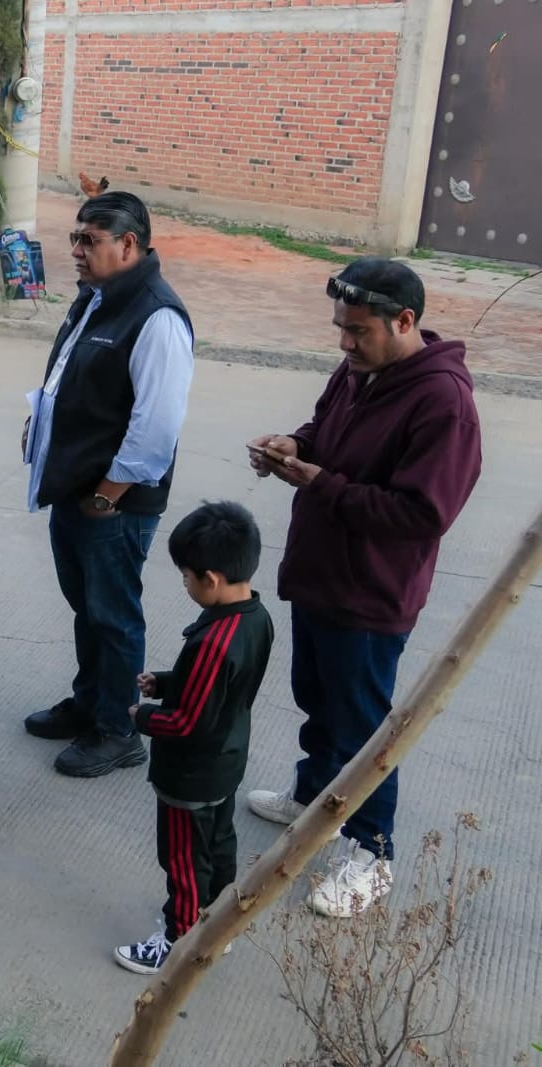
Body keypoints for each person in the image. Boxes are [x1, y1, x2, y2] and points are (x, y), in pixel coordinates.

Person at [244, 258, 481, 917]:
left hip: (372, 594)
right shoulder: (357, 370)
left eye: (359, 331)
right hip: (320, 574)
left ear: (405, 322)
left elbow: (421, 515)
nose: (345, 344)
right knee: (315, 698)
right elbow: (324, 429)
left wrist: (319, 482)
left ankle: (371, 851)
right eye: (340, 329)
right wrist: (291, 443)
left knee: (363, 727)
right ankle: (314, 797)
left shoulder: (444, 403)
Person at [21, 191, 194, 778]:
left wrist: (108, 494)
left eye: (88, 240)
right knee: (87, 609)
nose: (75, 249)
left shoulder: (157, 315)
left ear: (128, 244)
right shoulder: (98, 297)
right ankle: (91, 702)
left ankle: (118, 729)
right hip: (77, 490)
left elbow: (157, 426)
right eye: (75, 237)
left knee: (114, 616)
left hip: (112, 502)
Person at [113, 502, 273, 975]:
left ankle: (179, 941)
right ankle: (217, 926)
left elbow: (186, 724)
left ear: (212, 578)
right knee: (220, 844)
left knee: (182, 859)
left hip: (190, 778)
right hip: (227, 759)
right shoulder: (256, 616)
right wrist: (163, 682)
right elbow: (219, 690)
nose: (184, 584)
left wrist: (142, 717)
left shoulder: (213, 641)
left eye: (186, 576)